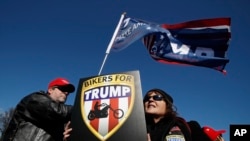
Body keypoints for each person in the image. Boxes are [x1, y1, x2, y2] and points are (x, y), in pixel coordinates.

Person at [1, 77, 75, 141]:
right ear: (51, 90)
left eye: (68, 91)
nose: (66, 93)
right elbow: (55, 110)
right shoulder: (35, 99)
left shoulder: (62, 120)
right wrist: (81, 109)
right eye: (63, 89)